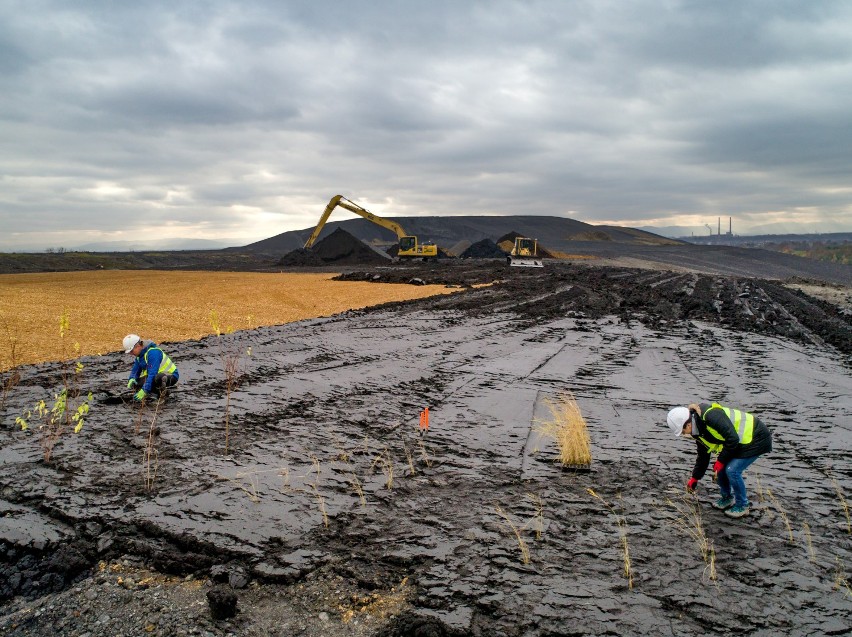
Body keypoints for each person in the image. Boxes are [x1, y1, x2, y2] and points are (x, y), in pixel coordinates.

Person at [666, 402, 772, 518]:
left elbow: (732, 439)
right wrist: (695, 478)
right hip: (738, 443)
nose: (684, 435)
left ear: (688, 425)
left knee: (732, 470)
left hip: (756, 438)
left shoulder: (711, 416)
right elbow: (703, 457)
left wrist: (720, 460)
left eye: (683, 432)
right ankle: (726, 498)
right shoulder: (698, 433)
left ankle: (742, 505)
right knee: (721, 469)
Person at [123, 334, 179, 402]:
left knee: (158, 378)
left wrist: (144, 390)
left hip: (170, 376)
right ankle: (154, 391)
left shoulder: (153, 353)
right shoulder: (139, 356)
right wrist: (132, 379)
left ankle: (162, 394)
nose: (131, 354)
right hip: (155, 376)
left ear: (138, 346)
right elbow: (135, 371)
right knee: (136, 383)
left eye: (131, 351)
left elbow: (152, 374)